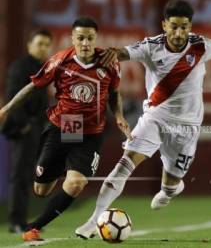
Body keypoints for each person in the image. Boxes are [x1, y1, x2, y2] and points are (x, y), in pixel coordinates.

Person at [74, 0, 211, 239]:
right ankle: (92, 222)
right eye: (174, 26)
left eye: (184, 26)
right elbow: (124, 52)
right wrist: (113, 53)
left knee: (170, 184)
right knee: (125, 163)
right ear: (164, 25)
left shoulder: (201, 46)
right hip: (155, 118)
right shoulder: (151, 47)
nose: (179, 32)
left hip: (187, 127)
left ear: (190, 26)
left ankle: (170, 188)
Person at [0, 16, 130, 241]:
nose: (86, 43)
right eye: (81, 38)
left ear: (95, 38)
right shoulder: (60, 61)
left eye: (90, 38)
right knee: (41, 190)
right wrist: (7, 108)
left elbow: (114, 93)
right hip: (66, 123)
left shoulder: (109, 62)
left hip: (92, 130)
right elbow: (33, 86)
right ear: (73, 38)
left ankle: (34, 227)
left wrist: (118, 115)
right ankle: (63, 166)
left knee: (76, 182)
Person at [1, 29, 52, 233]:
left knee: (31, 176)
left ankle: (23, 219)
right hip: (24, 129)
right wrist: (25, 126)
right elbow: (12, 97)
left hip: (38, 128)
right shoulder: (21, 67)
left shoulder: (43, 67)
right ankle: (16, 222)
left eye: (47, 44)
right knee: (20, 176)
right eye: (40, 43)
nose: (44, 48)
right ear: (29, 45)